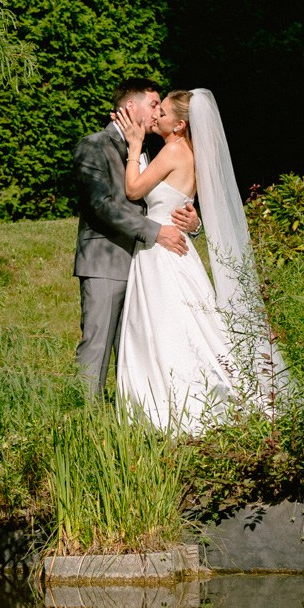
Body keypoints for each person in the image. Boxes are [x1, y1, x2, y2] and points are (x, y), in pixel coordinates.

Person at [112, 90, 241, 432]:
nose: (156, 116)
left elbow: (134, 191)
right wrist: (194, 223)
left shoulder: (171, 149)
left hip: (161, 254)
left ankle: (166, 406)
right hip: (180, 247)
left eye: (163, 113)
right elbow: (185, 205)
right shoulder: (194, 153)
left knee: (162, 326)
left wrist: (135, 144)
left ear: (180, 125)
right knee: (186, 323)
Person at [72, 79, 201, 397]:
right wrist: (157, 233)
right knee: (98, 344)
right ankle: (87, 421)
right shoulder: (94, 146)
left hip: (150, 266)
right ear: (131, 107)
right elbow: (103, 205)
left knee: (138, 346)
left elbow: (168, 200)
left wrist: (194, 222)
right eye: (155, 104)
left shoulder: (150, 149)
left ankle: (131, 413)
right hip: (108, 260)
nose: (158, 112)